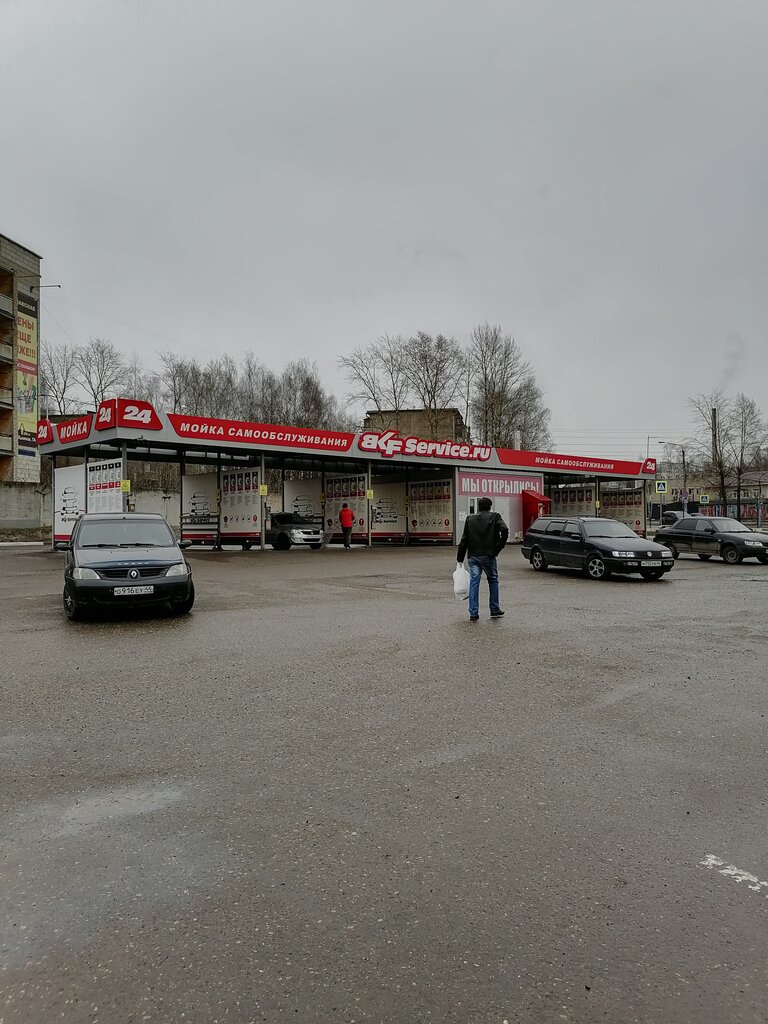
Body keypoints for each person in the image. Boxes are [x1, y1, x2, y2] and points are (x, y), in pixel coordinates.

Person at [456, 497, 509, 621]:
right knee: (493, 580)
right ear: (490, 507)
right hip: (489, 555)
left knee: (474, 582)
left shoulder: (470, 519)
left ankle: (473, 612)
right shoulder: (495, 517)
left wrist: (460, 558)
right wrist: (498, 547)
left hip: (473, 555)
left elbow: (464, 539)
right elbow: (505, 529)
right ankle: (494, 609)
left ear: (478, 507)